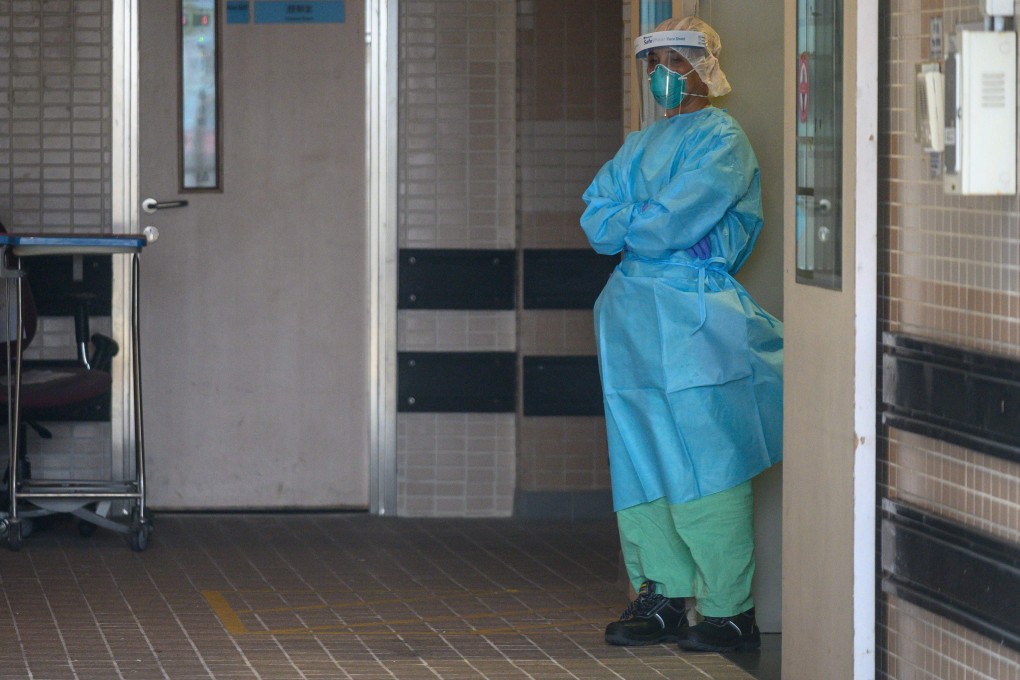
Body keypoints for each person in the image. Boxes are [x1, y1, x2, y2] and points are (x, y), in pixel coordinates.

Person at [580, 16, 783, 653]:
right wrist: (643, 221)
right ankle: (662, 595)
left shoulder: (723, 138)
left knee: (708, 457)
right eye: (652, 63)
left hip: (696, 311)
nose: (659, 74)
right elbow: (594, 218)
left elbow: (666, 225)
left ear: (703, 67)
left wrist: (634, 220)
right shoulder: (640, 144)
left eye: (671, 60)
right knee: (639, 458)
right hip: (631, 317)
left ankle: (728, 610)